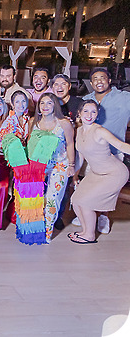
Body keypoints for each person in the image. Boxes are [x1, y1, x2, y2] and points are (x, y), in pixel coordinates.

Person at [69, 100, 130, 244]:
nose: (89, 115)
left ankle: (90, 236)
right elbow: (81, 157)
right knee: (76, 200)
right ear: (79, 113)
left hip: (113, 173)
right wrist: (75, 174)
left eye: (93, 112)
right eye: (86, 111)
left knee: (86, 202)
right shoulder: (79, 131)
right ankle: (85, 231)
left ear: (97, 114)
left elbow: (121, 145)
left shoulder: (99, 130)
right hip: (96, 173)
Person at [79, 67, 130, 233]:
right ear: (91, 82)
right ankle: (89, 215)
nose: (99, 81)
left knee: (106, 191)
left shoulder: (124, 98)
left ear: (109, 81)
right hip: (93, 153)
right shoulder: (87, 99)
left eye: (102, 78)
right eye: (95, 78)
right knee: (92, 186)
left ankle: (103, 217)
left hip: (114, 151)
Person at [30, 93, 75, 242]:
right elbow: (31, 145)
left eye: (49, 103)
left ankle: (47, 234)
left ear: (55, 105)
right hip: (39, 165)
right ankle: (34, 227)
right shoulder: (33, 123)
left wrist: (71, 165)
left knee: (52, 198)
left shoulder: (63, 123)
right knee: (36, 198)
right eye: (42, 103)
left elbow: (70, 144)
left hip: (59, 164)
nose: (45, 107)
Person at [0, 90, 31, 230]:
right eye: (17, 102)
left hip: (19, 157)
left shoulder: (27, 119)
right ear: (12, 105)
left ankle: (12, 214)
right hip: (3, 157)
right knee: (3, 185)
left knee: (20, 185)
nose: (21, 104)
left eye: (23, 101)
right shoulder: (10, 120)